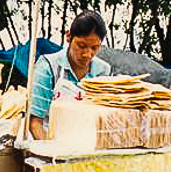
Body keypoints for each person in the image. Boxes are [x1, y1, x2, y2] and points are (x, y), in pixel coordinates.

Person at [28, 10, 112, 140]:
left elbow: (101, 119)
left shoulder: (103, 71)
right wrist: (52, 153)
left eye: (94, 48)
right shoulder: (48, 66)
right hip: (48, 141)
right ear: (68, 36)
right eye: (81, 45)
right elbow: (35, 123)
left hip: (85, 145)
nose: (87, 54)